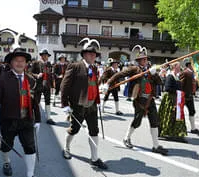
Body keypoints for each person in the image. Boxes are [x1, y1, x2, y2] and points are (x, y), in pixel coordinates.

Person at [0, 48, 41, 177]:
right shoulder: (3, 79)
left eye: (23, 61)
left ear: (26, 63)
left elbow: (35, 101)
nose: (20, 63)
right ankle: (6, 162)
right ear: (11, 63)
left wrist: (38, 120)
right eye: (17, 60)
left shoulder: (31, 80)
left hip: (26, 120)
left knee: (30, 147)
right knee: (6, 146)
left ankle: (30, 174)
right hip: (8, 120)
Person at [104, 45, 168, 155]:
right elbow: (120, 74)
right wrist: (108, 83)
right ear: (139, 61)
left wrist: (155, 74)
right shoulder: (134, 69)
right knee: (137, 121)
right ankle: (126, 138)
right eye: (143, 59)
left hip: (149, 99)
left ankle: (156, 146)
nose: (145, 61)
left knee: (154, 121)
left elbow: (159, 83)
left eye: (146, 59)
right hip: (139, 100)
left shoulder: (150, 70)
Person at [60, 38, 108, 169]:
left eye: (94, 54)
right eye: (90, 53)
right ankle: (66, 147)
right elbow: (64, 86)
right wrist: (65, 105)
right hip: (78, 105)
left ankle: (94, 158)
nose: (93, 56)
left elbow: (92, 86)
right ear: (84, 54)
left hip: (92, 105)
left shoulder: (94, 68)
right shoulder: (75, 66)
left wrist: (100, 92)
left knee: (94, 131)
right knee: (74, 129)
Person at [158, 62, 188, 143]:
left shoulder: (177, 76)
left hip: (177, 98)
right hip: (170, 99)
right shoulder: (170, 76)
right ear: (174, 67)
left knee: (177, 116)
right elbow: (167, 88)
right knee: (170, 115)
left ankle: (176, 133)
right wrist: (177, 91)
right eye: (178, 67)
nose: (180, 68)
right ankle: (167, 132)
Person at [30, 49, 55, 125]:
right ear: (41, 56)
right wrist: (37, 75)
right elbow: (30, 73)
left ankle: (49, 118)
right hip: (38, 85)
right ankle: (35, 117)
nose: (45, 57)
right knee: (36, 101)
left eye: (47, 55)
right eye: (44, 55)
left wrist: (52, 86)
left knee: (48, 101)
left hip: (47, 86)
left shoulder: (49, 64)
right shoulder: (36, 63)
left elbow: (50, 75)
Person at [180, 58, 199, 135]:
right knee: (180, 112)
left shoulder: (192, 73)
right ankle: (180, 128)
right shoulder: (185, 72)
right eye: (193, 64)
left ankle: (193, 128)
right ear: (189, 65)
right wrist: (182, 95)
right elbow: (181, 85)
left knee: (192, 111)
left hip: (190, 95)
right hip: (184, 96)